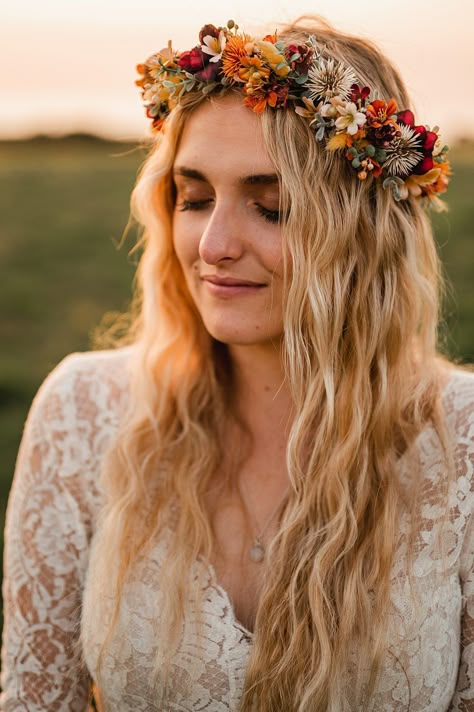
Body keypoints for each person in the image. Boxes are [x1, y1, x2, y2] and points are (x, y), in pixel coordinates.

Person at [1, 15, 473, 712]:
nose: (213, 243)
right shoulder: (82, 413)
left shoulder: (462, 442)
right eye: (193, 198)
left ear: (367, 232)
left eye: (273, 208)